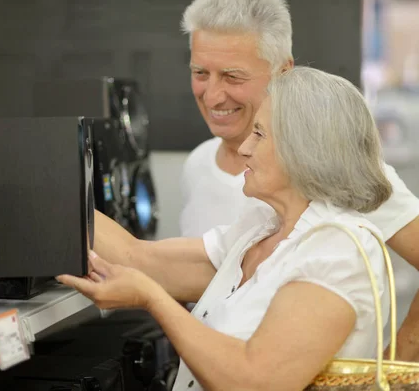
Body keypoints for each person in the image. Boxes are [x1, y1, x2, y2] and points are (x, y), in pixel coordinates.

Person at [178, 0, 419, 362]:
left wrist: (388, 373)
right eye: (200, 73)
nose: (211, 95)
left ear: (283, 73)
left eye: (232, 76)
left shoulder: (338, 174)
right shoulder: (197, 165)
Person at [58, 67, 393, 391]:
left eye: (259, 133)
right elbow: (140, 259)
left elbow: (253, 382)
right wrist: (49, 192)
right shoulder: (261, 230)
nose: (245, 147)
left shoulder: (338, 249)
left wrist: (153, 300)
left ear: (304, 150)